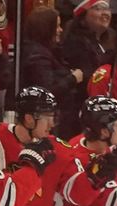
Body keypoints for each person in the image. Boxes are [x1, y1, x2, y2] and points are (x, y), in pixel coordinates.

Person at [20, 7, 85, 138]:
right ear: (46, 29)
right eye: (57, 26)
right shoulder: (37, 56)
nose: (60, 30)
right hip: (47, 125)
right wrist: (72, 78)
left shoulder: (47, 52)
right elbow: (47, 92)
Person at [59, 0, 114, 138]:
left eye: (107, 8)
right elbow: (89, 77)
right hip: (79, 115)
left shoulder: (109, 42)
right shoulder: (74, 43)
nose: (105, 13)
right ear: (83, 17)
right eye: (98, 8)